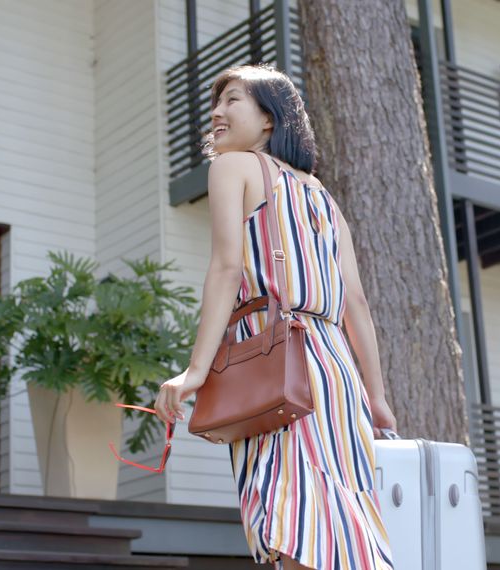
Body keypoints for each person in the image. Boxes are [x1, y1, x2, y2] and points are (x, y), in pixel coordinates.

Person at [152, 63, 396, 570]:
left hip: (277, 365)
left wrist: (195, 371)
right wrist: (375, 398)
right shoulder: (323, 196)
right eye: (215, 103)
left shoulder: (233, 167)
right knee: (339, 523)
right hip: (336, 376)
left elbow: (225, 267)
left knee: (294, 522)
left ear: (269, 118)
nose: (216, 113)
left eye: (232, 100)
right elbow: (356, 304)